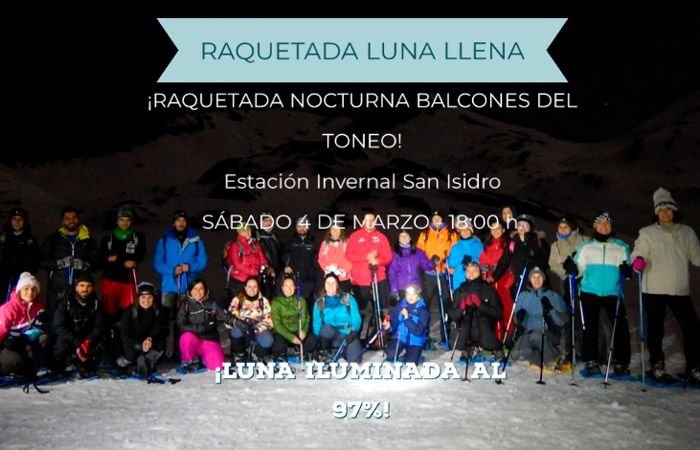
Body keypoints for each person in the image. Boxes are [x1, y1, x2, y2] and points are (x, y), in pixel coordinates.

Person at [631, 188, 700, 384]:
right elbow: (639, 251)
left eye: (668, 209)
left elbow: (696, 256)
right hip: (654, 288)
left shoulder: (686, 232)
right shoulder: (647, 233)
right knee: (655, 330)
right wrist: (637, 260)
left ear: (674, 210)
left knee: (692, 328)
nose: (665, 213)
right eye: (661, 210)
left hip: (679, 289)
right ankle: (657, 365)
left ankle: (694, 366)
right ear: (656, 213)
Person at [569, 211, 632, 376]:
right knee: (590, 327)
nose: (604, 226)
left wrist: (627, 270)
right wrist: (572, 268)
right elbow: (578, 268)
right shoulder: (586, 246)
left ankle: (621, 361)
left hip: (612, 291)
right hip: (589, 290)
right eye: (600, 223)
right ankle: (591, 359)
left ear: (611, 226)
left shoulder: (621, 246)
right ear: (595, 226)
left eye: (607, 223)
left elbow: (629, 267)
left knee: (620, 326)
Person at [153, 210, 208, 358]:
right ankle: (161, 352)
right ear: (173, 222)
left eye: (183, 220)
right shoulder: (164, 240)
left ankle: (181, 351)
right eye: (178, 220)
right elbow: (157, 263)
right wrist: (172, 270)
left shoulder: (196, 240)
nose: (181, 223)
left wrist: (190, 268)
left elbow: (203, 262)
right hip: (169, 285)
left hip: (188, 285)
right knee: (165, 321)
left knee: (184, 321)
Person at [99, 205, 147, 359]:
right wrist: (121, 260)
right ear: (117, 221)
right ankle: (109, 348)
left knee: (131, 314)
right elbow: (102, 259)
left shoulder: (137, 237)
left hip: (128, 281)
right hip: (110, 281)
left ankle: (131, 349)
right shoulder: (108, 239)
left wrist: (115, 259)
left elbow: (140, 255)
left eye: (127, 220)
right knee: (109, 315)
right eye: (121, 220)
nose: (124, 223)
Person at [39, 207, 99, 316]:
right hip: (58, 287)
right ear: (62, 221)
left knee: (80, 316)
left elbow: (97, 261)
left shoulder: (87, 239)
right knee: (55, 316)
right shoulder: (53, 239)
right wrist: (58, 264)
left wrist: (85, 265)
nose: (71, 221)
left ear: (78, 219)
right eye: (67, 218)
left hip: (81, 288)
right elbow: (41, 261)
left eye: (74, 218)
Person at [345, 209, 392, 343]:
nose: (370, 222)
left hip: (378, 279)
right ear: (363, 221)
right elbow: (349, 255)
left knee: (382, 310)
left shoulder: (381, 237)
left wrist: (378, 261)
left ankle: (381, 338)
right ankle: (355, 338)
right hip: (360, 281)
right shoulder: (355, 236)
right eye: (367, 220)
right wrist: (366, 258)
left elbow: (388, 257)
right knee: (358, 312)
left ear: (376, 221)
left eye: (372, 220)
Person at [510, 268, 569, 373]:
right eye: (534, 277)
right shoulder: (523, 296)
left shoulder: (553, 296)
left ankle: (553, 358)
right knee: (517, 353)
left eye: (539, 277)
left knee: (536, 336)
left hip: (548, 331)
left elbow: (563, 321)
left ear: (544, 279)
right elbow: (517, 321)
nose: (536, 280)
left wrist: (551, 309)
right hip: (528, 332)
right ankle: (541, 359)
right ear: (530, 280)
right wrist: (519, 317)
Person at [52, 273, 105, 378]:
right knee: (60, 349)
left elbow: (100, 327)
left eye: (88, 286)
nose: (85, 289)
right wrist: (76, 341)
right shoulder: (65, 302)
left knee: (97, 353)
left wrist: (88, 340)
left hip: (86, 339)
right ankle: (63, 364)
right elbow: (58, 326)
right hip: (69, 338)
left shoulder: (96, 304)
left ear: (93, 288)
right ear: (76, 287)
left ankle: (81, 364)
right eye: (82, 285)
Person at [416, 210, 457, 347]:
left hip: (445, 273)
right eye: (434, 218)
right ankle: (424, 335)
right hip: (429, 274)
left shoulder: (451, 235)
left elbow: (454, 251)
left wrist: (446, 261)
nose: (436, 221)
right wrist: (428, 264)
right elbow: (419, 254)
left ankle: (445, 335)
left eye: (439, 218)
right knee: (424, 305)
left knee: (444, 305)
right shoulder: (425, 235)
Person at [448, 261, 503, 360]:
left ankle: (496, 348)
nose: (471, 273)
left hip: (484, 325)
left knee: (482, 320)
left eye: (474, 270)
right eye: (468, 271)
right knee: (465, 320)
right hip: (467, 325)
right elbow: (453, 314)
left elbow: (498, 313)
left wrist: (480, 305)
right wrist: (462, 307)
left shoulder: (488, 289)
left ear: (480, 272)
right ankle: (468, 347)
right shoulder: (460, 290)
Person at [177, 278, 235, 371]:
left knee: (218, 367)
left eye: (201, 289)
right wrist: (203, 327)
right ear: (190, 291)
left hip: (209, 340)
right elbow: (181, 325)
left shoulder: (212, 304)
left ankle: (204, 359)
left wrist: (239, 323)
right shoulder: (185, 305)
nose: (198, 292)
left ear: (205, 290)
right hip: (193, 341)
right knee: (186, 337)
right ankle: (190, 360)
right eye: (195, 289)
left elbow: (225, 317)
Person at [0, 272, 47, 382]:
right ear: (19, 290)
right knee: (14, 360)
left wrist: (25, 337)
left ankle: (28, 372)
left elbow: (40, 328)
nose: (30, 292)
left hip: (22, 344)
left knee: (43, 338)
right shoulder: (8, 309)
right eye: (26, 288)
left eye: (33, 289)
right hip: (7, 347)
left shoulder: (39, 307)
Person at [118, 281, 167, 377]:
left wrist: (150, 338)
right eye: (143, 297)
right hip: (133, 342)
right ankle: (125, 364)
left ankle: (147, 360)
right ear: (138, 298)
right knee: (131, 355)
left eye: (149, 297)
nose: (146, 300)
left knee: (161, 344)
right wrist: (139, 346)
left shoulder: (157, 311)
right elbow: (124, 335)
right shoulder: (130, 311)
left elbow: (159, 329)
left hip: (148, 341)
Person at [313, 274, 362, 363]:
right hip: (329, 334)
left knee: (355, 360)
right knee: (326, 329)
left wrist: (354, 331)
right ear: (324, 285)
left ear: (337, 285)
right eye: (328, 283)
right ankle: (326, 351)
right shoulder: (320, 301)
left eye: (333, 283)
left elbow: (356, 317)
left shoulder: (346, 298)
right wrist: (317, 339)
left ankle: (341, 352)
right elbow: (317, 322)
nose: (330, 286)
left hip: (346, 333)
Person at [479, 218, 515, 341]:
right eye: (493, 228)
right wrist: (484, 270)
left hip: (503, 279)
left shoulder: (508, 244)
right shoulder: (487, 243)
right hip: (489, 279)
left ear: (503, 229)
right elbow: (482, 259)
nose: (496, 231)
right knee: (492, 308)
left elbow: (509, 262)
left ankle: (508, 336)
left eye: (498, 228)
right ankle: (494, 336)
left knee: (506, 307)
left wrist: (509, 279)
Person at [270, 276, 318, 361]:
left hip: (297, 330)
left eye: (291, 285)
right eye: (286, 286)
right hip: (284, 332)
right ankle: (281, 356)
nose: (289, 289)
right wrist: (291, 337)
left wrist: (304, 331)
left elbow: (306, 318)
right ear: (282, 288)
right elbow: (277, 324)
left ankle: (302, 352)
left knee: (313, 341)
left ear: (295, 287)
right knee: (279, 345)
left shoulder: (301, 300)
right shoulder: (276, 302)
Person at [228, 277, 274, 361]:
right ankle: (240, 353)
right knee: (235, 331)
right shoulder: (238, 299)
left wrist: (256, 329)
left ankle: (259, 354)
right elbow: (231, 315)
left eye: (254, 287)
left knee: (268, 339)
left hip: (258, 328)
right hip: (243, 327)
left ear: (258, 288)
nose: (252, 289)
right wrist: (244, 324)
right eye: (249, 286)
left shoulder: (263, 301)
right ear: (245, 287)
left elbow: (269, 320)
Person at [382, 284, 430, 364]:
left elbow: (418, 331)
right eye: (408, 294)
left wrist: (407, 318)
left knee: (410, 363)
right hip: (401, 337)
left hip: (415, 340)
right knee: (390, 355)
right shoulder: (401, 305)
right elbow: (394, 321)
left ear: (418, 296)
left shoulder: (423, 310)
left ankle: (416, 355)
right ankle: (400, 352)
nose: (410, 297)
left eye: (413, 294)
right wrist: (389, 326)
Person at [0, 207, 39, 304]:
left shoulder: (30, 240)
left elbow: (36, 261)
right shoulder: (3, 238)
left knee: (20, 304)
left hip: (22, 279)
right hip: (4, 278)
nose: (17, 222)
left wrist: (26, 273)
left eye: (20, 219)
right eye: (14, 219)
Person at [282, 216, 318, 310]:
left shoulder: (314, 242)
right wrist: (286, 266)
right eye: (299, 226)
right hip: (294, 279)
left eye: (304, 226)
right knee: (294, 306)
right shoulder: (291, 242)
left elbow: (317, 260)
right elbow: (283, 256)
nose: (302, 228)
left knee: (308, 306)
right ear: (296, 228)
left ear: (308, 227)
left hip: (308, 280)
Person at [225, 224, 268, 302]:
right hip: (240, 281)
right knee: (237, 306)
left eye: (248, 229)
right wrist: (252, 271)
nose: (247, 232)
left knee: (255, 305)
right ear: (239, 233)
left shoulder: (255, 245)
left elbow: (263, 259)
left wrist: (264, 267)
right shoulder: (235, 246)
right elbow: (236, 264)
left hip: (254, 281)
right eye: (243, 230)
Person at [387, 230, 432, 302]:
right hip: (402, 287)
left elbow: (425, 265)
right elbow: (392, 272)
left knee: (417, 309)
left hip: (416, 286)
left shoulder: (418, 252)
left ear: (410, 238)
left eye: (406, 236)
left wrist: (432, 263)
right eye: (401, 236)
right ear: (398, 239)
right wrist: (394, 289)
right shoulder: (395, 254)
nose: (404, 238)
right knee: (404, 310)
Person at [447, 218, 484, 292]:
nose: (465, 232)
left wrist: (473, 261)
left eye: (467, 229)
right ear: (459, 232)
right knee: (460, 301)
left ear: (471, 230)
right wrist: (462, 259)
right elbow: (451, 263)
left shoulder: (478, 245)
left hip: (474, 278)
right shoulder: (455, 246)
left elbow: (482, 260)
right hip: (459, 278)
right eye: (462, 230)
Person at [317, 222, 353, 293]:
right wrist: (328, 268)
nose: (335, 231)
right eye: (333, 229)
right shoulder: (325, 244)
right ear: (330, 231)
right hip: (330, 279)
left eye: (337, 228)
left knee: (344, 301)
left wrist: (343, 271)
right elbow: (321, 259)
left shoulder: (347, 243)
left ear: (341, 230)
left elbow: (351, 259)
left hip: (344, 278)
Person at [254, 213, 282, 299]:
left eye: (270, 220)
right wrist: (266, 267)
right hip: (261, 274)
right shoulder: (255, 234)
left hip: (275, 274)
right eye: (265, 220)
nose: (268, 223)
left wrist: (278, 269)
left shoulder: (275, 236)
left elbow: (280, 253)